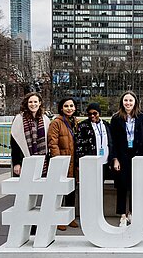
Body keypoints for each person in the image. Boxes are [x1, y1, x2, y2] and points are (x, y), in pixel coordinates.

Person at [110, 91, 143, 227]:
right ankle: (122, 214)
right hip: (122, 156)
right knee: (122, 186)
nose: (128, 103)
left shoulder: (142, 118)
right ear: (122, 102)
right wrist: (115, 158)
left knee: (135, 185)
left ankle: (132, 212)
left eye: (130, 101)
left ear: (135, 103)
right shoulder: (116, 118)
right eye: (126, 100)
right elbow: (112, 140)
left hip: (137, 155)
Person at [48, 97, 79, 231]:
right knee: (60, 191)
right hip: (63, 161)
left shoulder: (75, 122)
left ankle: (70, 217)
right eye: (66, 106)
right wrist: (58, 160)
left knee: (71, 190)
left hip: (73, 160)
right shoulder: (56, 123)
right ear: (61, 108)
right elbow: (53, 143)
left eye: (71, 106)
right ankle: (58, 219)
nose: (69, 108)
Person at [11, 92, 51, 177]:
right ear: (27, 103)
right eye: (30, 102)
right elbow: (15, 143)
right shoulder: (19, 119)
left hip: (42, 161)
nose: (33, 104)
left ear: (39, 103)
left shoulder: (45, 119)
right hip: (23, 159)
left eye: (35, 102)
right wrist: (16, 163)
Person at [75, 102, 113, 181]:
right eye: (90, 114)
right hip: (90, 162)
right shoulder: (83, 126)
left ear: (99, 113)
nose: (92, 116)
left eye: (95, 113)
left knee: (101, 184)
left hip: (104, 161)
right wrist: (78, 162)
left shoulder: (106, 125)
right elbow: (79, 145)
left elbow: (110, 142)